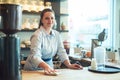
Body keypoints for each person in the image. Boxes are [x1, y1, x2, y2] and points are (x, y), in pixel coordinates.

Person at [23, 8, 83, 74]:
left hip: (49, 66)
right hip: (33, 69)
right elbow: (35, 56)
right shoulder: (37, 35)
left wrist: (69, 64)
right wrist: (46, 67)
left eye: (52, 18)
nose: (50, 20)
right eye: (47, 18)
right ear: (42, 20)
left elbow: (61, 52)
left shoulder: (57, 34)